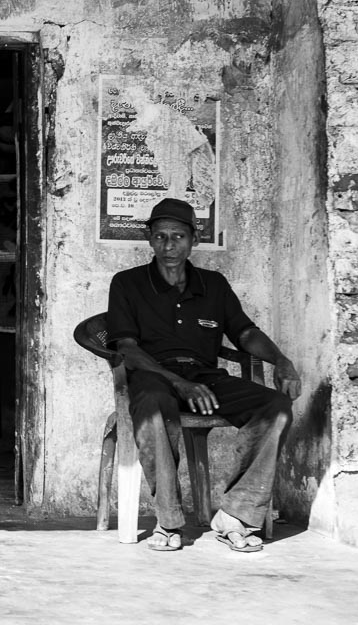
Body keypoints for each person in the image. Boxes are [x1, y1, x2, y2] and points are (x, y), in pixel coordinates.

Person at [106, 198, 302, 552]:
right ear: (149, 239)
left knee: (275, 407)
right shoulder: (127, 283)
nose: (169, 246)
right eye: (161, 237)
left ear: (193, 239)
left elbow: (245, 333)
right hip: (154, 377)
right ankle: (168, 521)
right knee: (152, 407)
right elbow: (127, 348)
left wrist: (282, 360)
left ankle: (236, 514)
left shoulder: (213, 284)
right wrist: (178, 381)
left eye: (178, 237)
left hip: (206, 378)